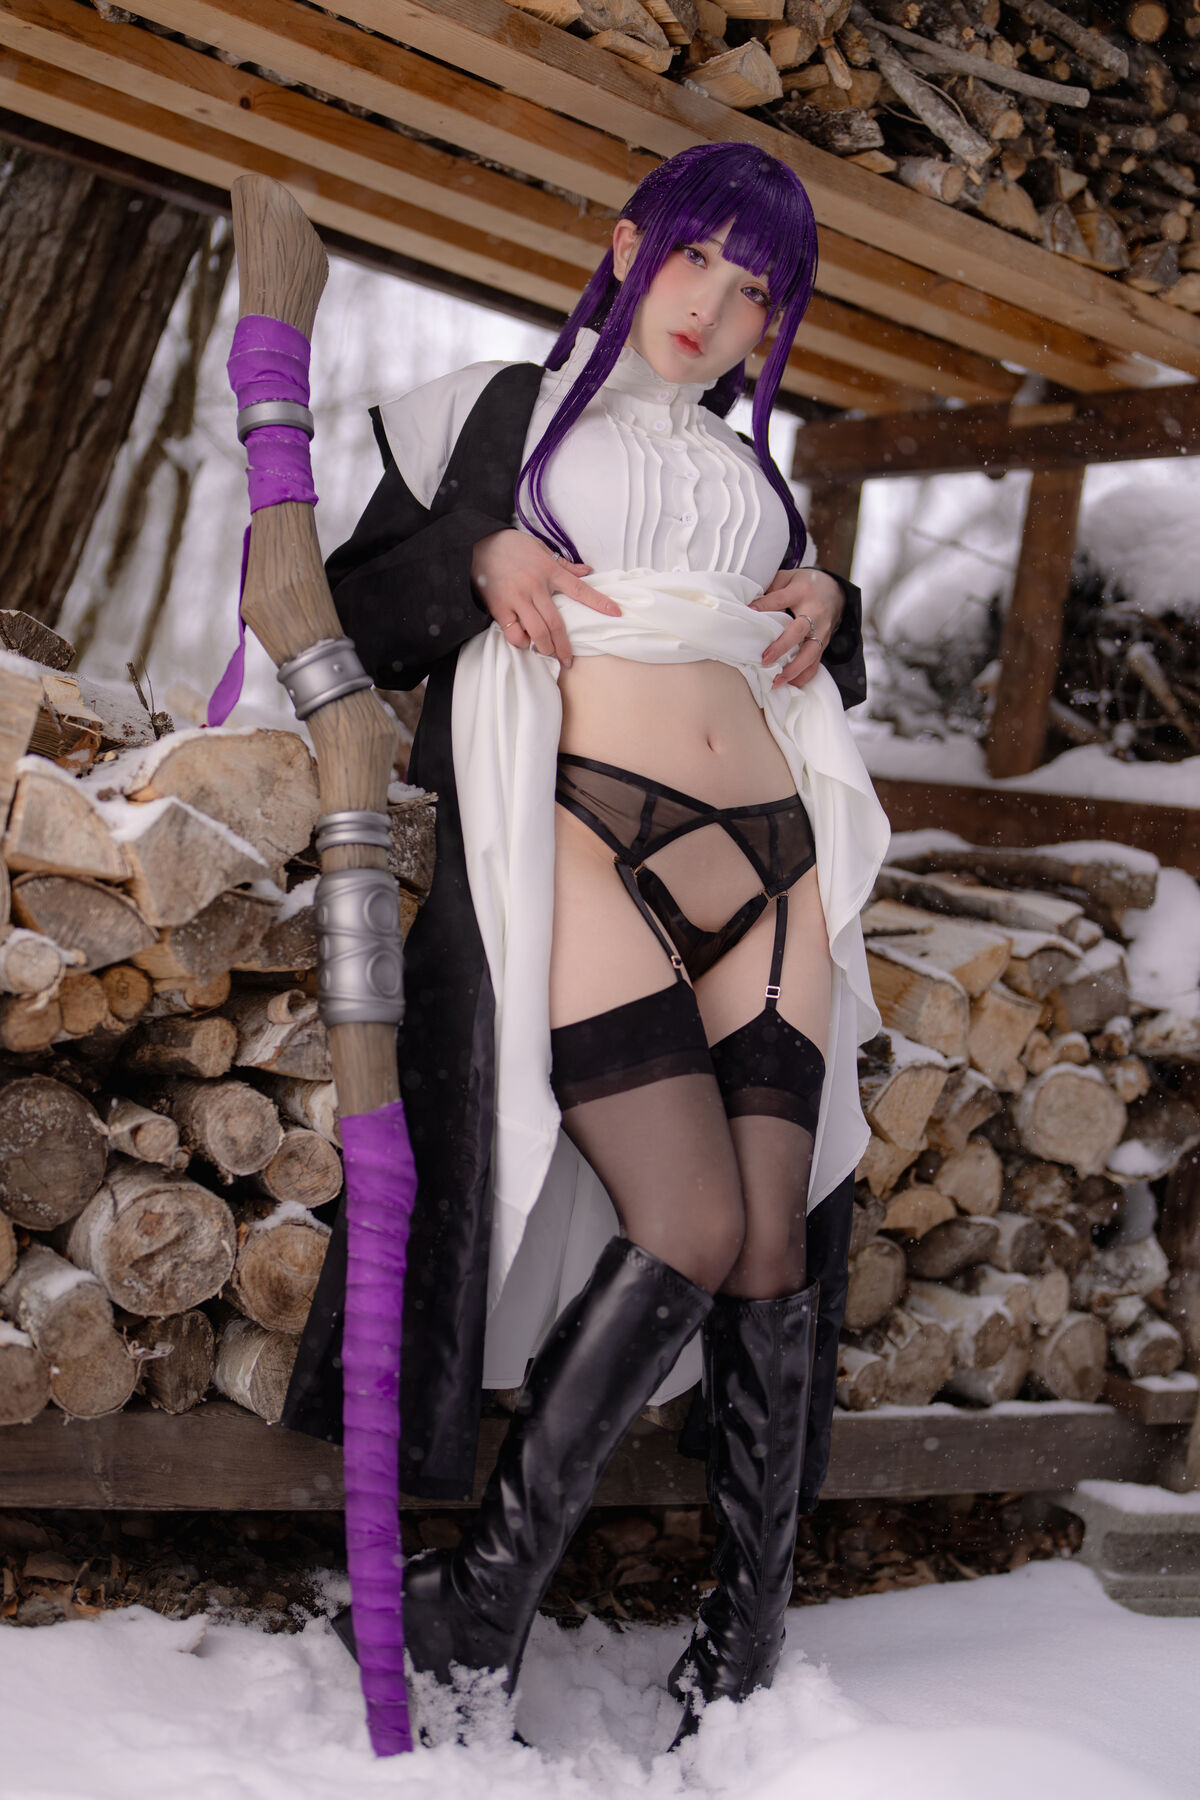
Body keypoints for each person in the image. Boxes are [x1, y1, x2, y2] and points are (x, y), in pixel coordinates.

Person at [284, 141, 890, 1742]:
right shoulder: (496, 413)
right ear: (628, 248)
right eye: (695, 259)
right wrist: (480, 556)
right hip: (588, 834)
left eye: (754, 292)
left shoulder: (758, 477)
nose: (713, 307)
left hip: (777, 859)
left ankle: (742, 1644)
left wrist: (832, 596)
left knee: (772, 1247)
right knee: (686, 1221)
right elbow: (347, 605)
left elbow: (804, 659)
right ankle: (484, 1599)